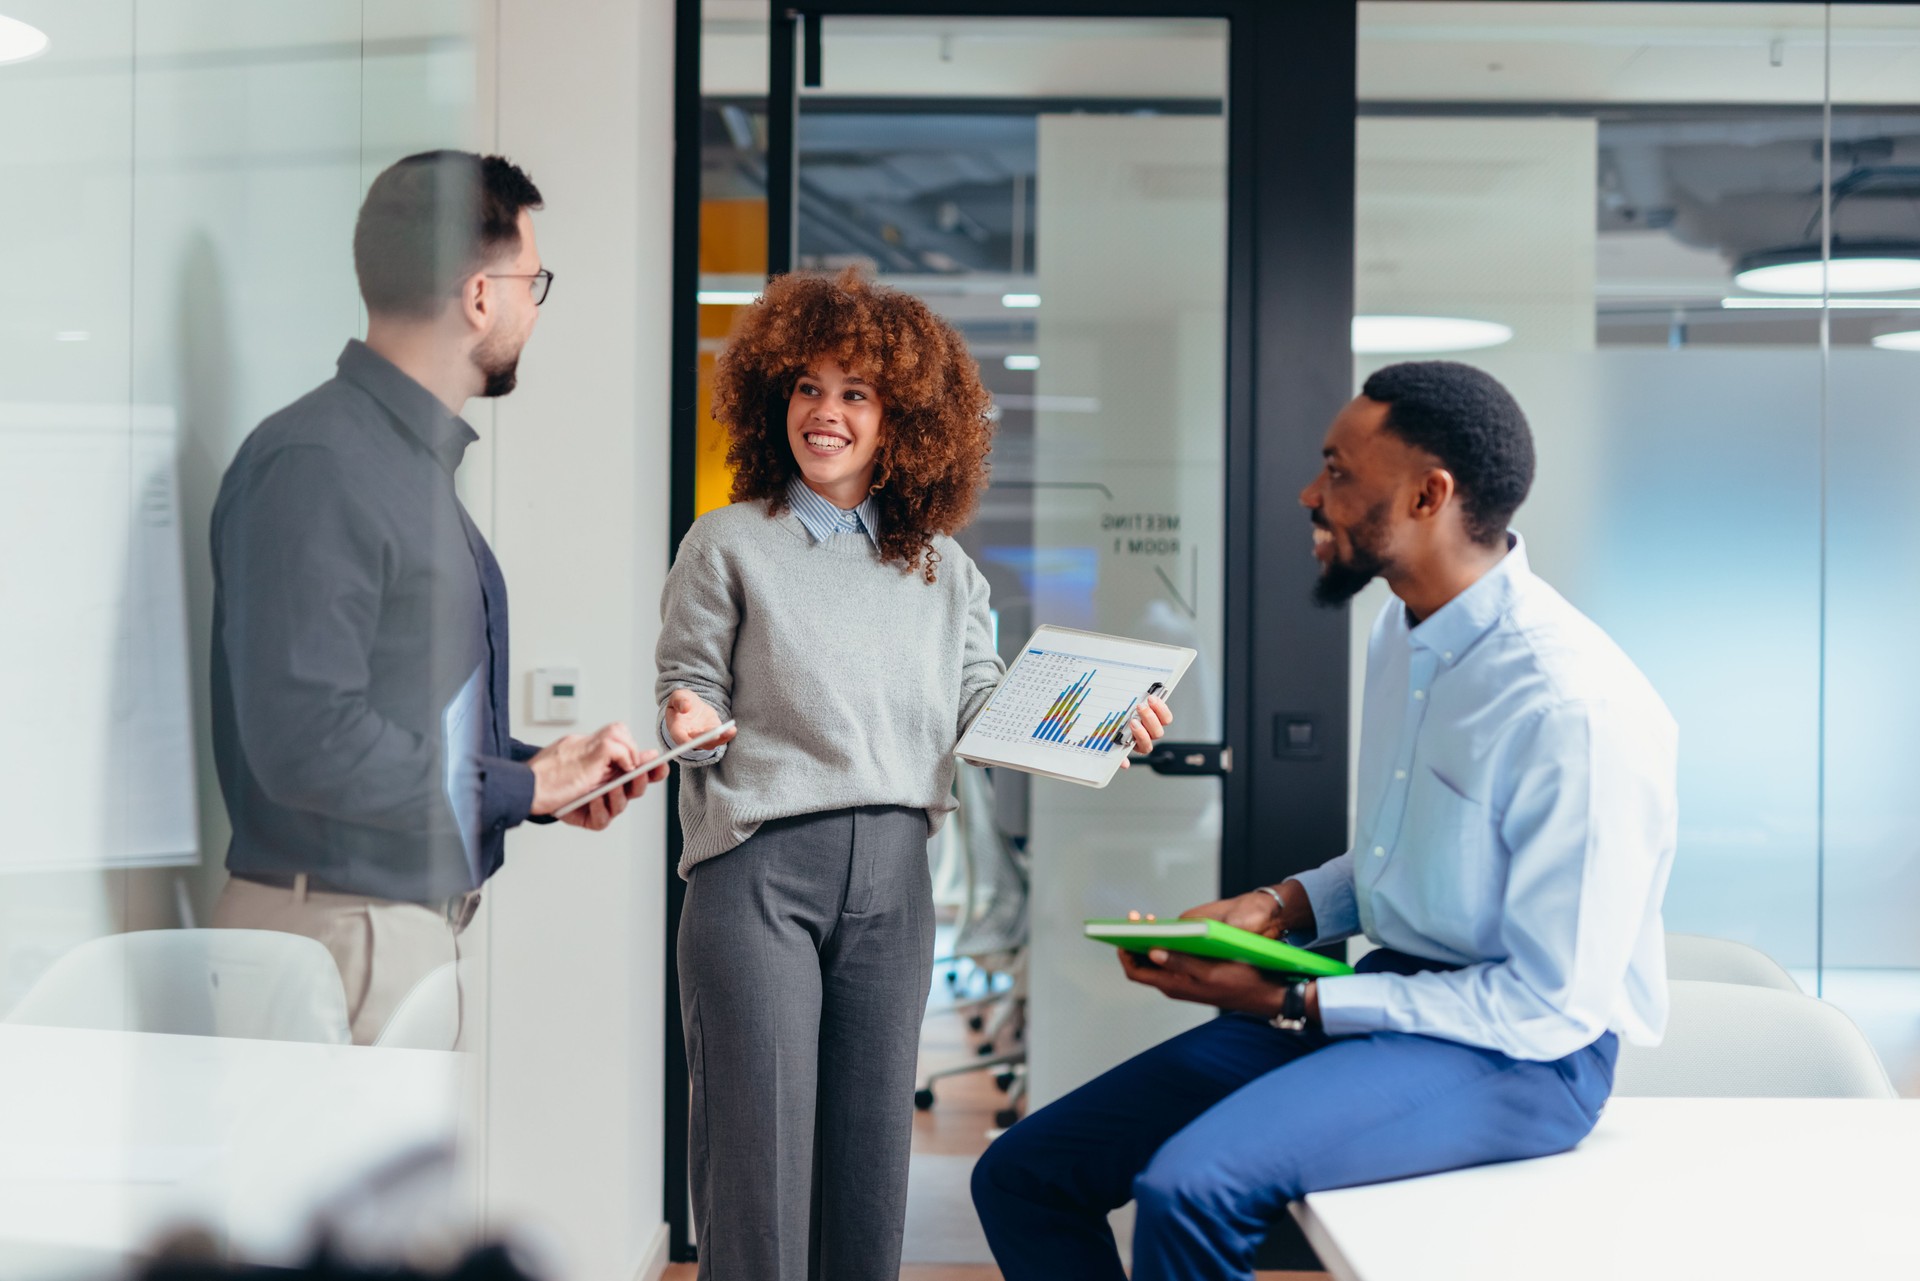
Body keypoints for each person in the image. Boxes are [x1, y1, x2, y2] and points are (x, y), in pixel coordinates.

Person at [971, 360, 1679, 1281]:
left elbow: (1549, 1004)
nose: (1311, 494)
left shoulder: (1572, 706)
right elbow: (1412, 852)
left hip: (1525, 1057)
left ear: (1431, 495)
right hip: (1389, 999)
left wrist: (1292, 998)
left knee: (1191, 1190)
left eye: (1341, 472)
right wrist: (1282, 907)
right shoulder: (1405, 632)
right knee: (1024, 1173)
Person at [657, 267, 1172, 1281]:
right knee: (756, 1167)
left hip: (895, 879)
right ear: (777, 401)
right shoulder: (728, 543)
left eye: (857, 394)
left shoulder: (944, 566)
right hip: (759, 869)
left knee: (866, 1166)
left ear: (903, 417)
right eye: (809, 388)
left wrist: (1108, 727)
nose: (828, 413)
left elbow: (989, 709)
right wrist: (691, 717)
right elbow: (689, 682)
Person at [208, 150, 664, 1045]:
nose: (534, 310)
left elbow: (396, 715)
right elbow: (306, 743)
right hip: (339, 942)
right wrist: (522, 782)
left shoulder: (396, 467)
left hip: (382, 940)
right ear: (480, 295)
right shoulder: (318, 465)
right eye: (533, 283)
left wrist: (543, 776)